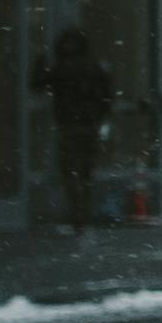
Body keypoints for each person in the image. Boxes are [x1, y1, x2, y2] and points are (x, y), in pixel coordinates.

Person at [39, 27, 117, 227]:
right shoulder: (92, 67)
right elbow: (107, 93)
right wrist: (100, 114)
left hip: (70, 126)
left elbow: (38, 83)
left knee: (70, 172)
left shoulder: (62, 68)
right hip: (89, 125)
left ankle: (78, 212)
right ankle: (82, 211)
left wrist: (40, 59)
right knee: (85, 172)